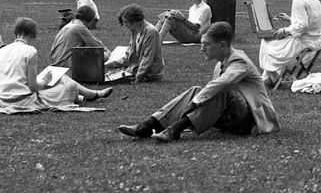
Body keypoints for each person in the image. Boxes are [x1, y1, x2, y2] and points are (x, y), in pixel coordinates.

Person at [118, 21, 279, 142]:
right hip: (232, 118)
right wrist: (197, 99)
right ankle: (147, 126)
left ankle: (175, 129)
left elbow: (222, 84)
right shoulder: (221, 63)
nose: (202, 48)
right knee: (197, 90)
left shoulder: (239, 61)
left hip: (253, 121)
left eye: (206, 44)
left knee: (220, 91)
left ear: (222, 45)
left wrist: (195, 102)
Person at [0, 17, 112, 113]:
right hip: (24, 102)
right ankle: (90, 95)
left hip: (4, 101)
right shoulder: (30, 51)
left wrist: (0, 105)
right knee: (68, 86)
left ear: (16, 32)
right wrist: (45, 81)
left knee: (61, 77)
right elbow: (33, 87)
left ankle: (91, 94)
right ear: (32, 35)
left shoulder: (2, 50)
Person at [258, 0, 321, 87]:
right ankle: (268, 79)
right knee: (274, 44)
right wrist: (290, 19)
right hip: (316, 40)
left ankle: (273, 78)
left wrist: (283, 30)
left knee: (266, 43)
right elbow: (311, 22)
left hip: (304, 42)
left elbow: (301, 27)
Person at [107, 4, 164, 82]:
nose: (125, 25)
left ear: (134, 21)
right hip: (135, 69)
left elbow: (147, 59)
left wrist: (138, 77)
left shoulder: (151, 32)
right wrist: (109, 65)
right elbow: (128, 58)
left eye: (126, 22)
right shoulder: (134, 31)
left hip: (150, 73)